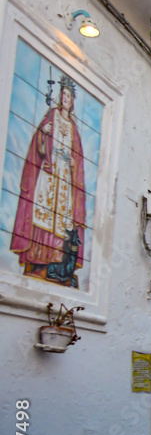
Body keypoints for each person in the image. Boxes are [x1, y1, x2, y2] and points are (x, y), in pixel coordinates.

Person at [10, 74, 87, 287]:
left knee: (62, 219)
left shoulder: (73, 128)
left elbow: (78, 158)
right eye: (63, 95)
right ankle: (38, 259)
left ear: (71, 103)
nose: (65, 99)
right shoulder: (51, 116)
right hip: (50, 171)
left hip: (64, 175)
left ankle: (56, 262)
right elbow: (40, 141)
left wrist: (73, 162)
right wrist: (43, 133)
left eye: (68, 96)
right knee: (42, 212)